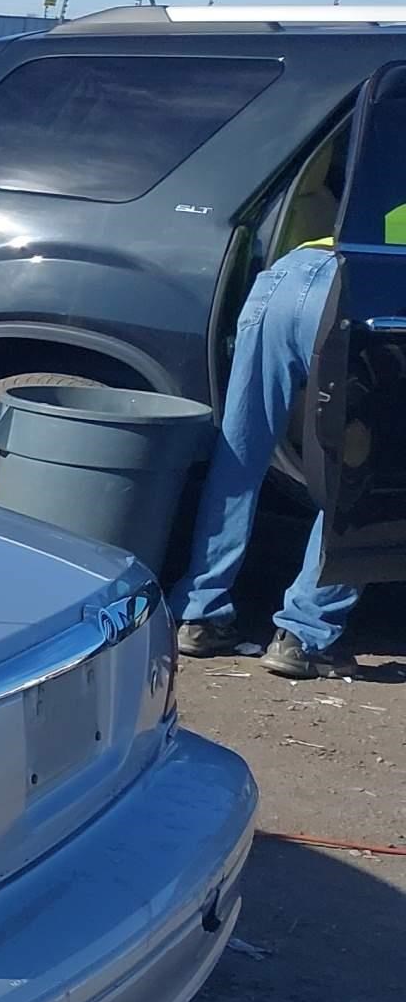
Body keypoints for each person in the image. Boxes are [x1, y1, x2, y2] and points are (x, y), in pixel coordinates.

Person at [171, 239, 358, 679]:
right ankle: (305, 635)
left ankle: (199, 614)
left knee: (239, 455)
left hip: (288, 273)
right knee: (359, 471)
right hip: (359, 286)